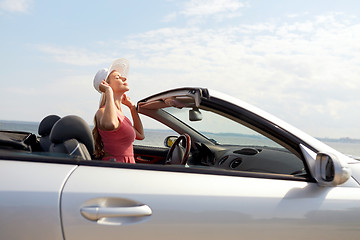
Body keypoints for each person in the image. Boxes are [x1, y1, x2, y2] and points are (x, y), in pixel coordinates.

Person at [92, 58, 145, 163]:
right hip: (115, 169)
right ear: (106, 84)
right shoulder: (102, 112)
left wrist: (132, 108)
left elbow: (140, 135)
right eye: (118, 77)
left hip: (125, 168)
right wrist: (108, 92)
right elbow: (111, 124)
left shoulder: (121, 115)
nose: (124, 78)